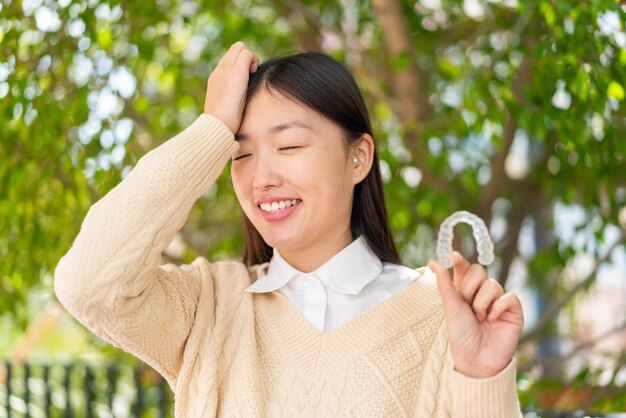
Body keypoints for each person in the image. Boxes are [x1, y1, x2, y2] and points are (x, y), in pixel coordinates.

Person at [54, 41, 524, 417]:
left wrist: (483, 376)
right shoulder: (209, 310)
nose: (261, 178)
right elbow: (87, 283)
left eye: (290, 145)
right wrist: (212, 128)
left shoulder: (439, 317)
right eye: (240, 154)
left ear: (358, 157)